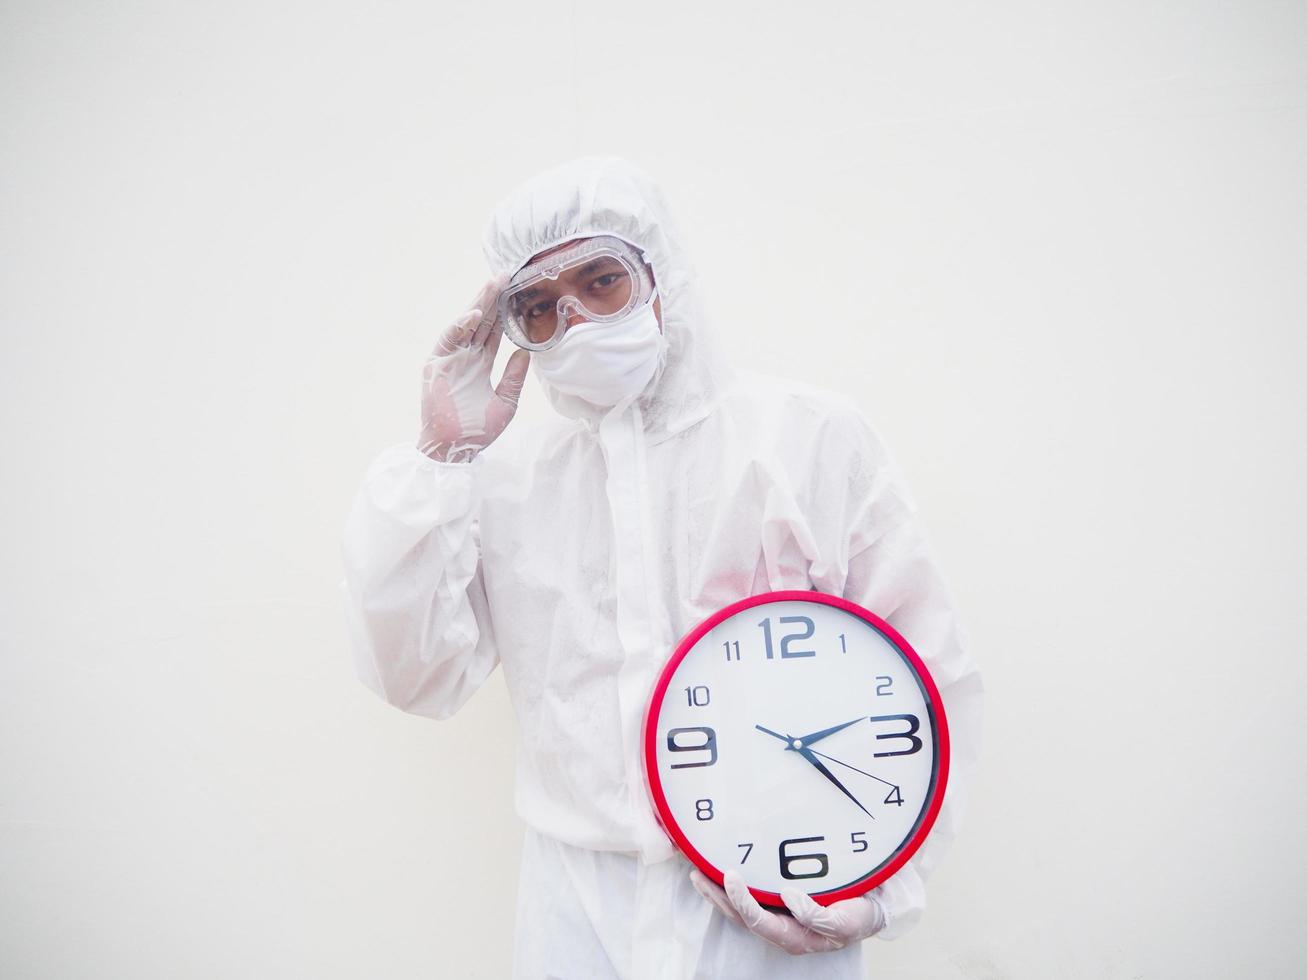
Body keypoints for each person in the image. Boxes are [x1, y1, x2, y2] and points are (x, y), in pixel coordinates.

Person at [341, 156, 983, 979]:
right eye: (537, 309)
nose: (572, 321)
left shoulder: (804, 437)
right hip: (574, 902)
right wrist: (438, 461)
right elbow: (416, 676)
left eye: (602, 281)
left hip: (771, 895)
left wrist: (886, 886)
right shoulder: (508, 482)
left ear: (660, 277)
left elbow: (925, 670)